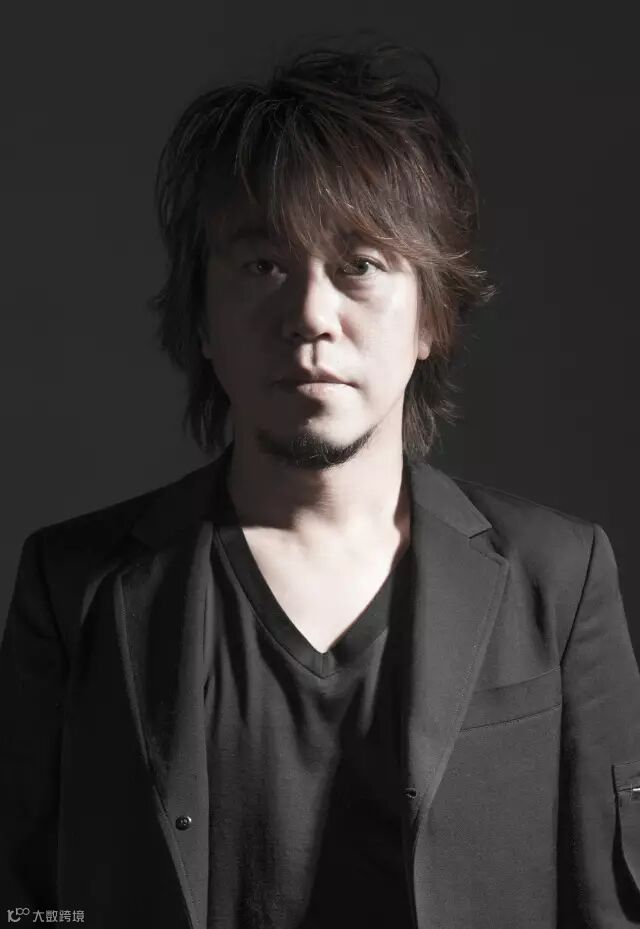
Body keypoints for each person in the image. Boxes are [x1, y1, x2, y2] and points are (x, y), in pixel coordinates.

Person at [1, 40, 639, 929]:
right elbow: (25, 904)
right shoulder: (74, 587)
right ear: (203, 318)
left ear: (430, 316)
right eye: (263, 265)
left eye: (360, 265)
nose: (309, 315)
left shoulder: (560, 581)